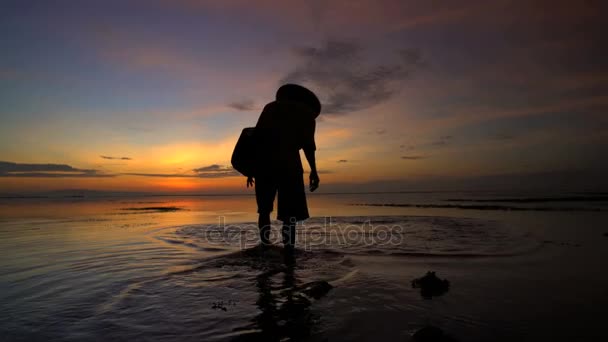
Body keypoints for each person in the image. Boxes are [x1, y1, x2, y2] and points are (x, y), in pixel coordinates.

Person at [246, 84, 321, 255]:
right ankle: (289, 253)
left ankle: (264, 247)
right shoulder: (307, 115)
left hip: (265, 164)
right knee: (290, 215)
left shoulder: (270, 108)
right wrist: (314, 171)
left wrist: (251, 168)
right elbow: (309, 146)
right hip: (290, 166)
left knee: (264, 211)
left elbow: (257, 138)